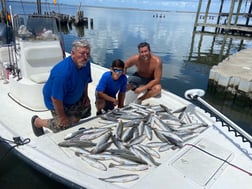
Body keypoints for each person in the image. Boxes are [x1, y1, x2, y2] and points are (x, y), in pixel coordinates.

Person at [31, 39, 92, 136]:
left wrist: (85, 95)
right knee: (63, 125)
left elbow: (86, 80)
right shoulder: (62, 73)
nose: (85, 57)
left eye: (87, 54)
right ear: (72, 53)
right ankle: (37, 122)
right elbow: (55, 98)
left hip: (73, 94)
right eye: (82, 53)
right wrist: (62, 117)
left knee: (86, 111)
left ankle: (73, 118)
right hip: (56, 100)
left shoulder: (86, 64)